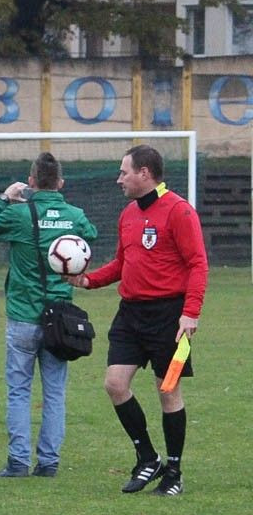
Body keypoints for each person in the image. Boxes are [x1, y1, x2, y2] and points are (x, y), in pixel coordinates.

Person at [68, 145, 208, 496]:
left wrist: (190, 313)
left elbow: (198, 264)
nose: (120, 179)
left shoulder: (179, 211)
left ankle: (174, 472)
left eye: (124, 172)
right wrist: (89, 280)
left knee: (168, 390)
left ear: (145, 173)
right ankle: (148, 457)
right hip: (130, 315)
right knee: (115, 384)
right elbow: (121, 263)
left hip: (169, 318)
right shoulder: (129, 213)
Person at [0, 153, 98, 477]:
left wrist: (5, 198)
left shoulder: (18, 213)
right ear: (60, 183)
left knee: (19, 389)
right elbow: (92, 234)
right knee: (54, 391)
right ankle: (48, 462)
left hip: (23, 316)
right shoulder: (74, 214)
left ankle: (17, 461)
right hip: (60, 319)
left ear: (30, 182)